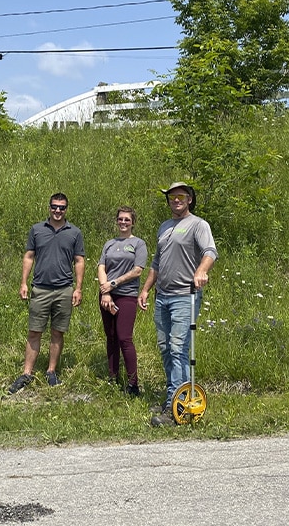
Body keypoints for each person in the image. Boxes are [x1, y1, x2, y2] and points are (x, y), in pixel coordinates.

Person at [138, 182, 217, 427]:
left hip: (185, 295)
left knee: (178, 348)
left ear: (190, 199)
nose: (176, 200)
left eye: (181, 196)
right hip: (162, 296)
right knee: (165, 348)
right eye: (172, 196)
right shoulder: (164, 227)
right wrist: (146, 289)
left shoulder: (198, 224)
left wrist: (201, 271)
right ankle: (173, 397)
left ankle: (179, 408)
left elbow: (210, 252)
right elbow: (157, 262)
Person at [9, 192, 86, 393]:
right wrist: (23, 283)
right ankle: (27, 373)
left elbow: (79, 261)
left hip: (64, 289)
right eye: (54, 207)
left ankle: (51, 371)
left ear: (66, 209)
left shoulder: (74, 233)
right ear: (49, 207)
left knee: (57, 332)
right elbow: (28, 257)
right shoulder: (37, 230)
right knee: (35, 331)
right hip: (40, 288)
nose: (57, 211)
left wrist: (78, 288)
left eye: (61, 207)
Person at [96, 206, 147, 396]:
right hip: (107, 295)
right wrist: (106, 290)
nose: (123, 222)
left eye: (127, 219)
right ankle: (112, 377)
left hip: (127, 295)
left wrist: (114, 283)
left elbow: (138, 270)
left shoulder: (138, 244)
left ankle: (133, 383)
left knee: (124, 337)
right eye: (120, 219)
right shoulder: (109, 244)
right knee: (111, 337)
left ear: (133, 222)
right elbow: (101, 266)